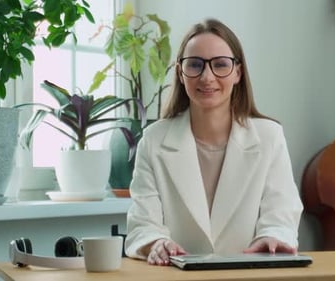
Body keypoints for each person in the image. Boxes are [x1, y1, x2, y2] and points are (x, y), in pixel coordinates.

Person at [124, 18, 303, 266]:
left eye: (220, 65)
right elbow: (142, 223)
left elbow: (281, 213)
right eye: (195, 65)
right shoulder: (153, 141)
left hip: (250, 275)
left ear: (238, 72)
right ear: (180, 72)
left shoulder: (269, 137)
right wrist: (155, 244)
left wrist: (272, 238)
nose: (207, 77)